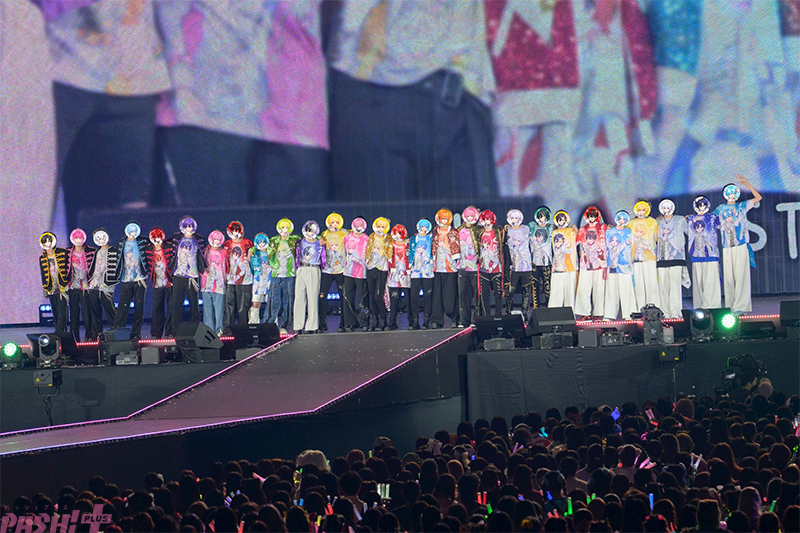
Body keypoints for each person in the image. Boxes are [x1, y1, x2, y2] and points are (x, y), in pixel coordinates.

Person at [714, 174, 762, 315]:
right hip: (727, 247)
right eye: (728, 192)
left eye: (733, 192)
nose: (731, 195)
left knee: (742, 277)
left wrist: (747, 184)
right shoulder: (720, 209)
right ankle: (730, 306)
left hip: (741, 246)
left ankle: (741, 307)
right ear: (724, 194)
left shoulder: (742, 206)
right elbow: (709, 220)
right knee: (729, 278)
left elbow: (758, 198)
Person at [169, 216, 206, 332]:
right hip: (178, 275)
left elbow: (202, 255)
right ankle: (175, 330)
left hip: (193, 276)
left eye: (190, 226)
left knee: (194, 305)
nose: (188, 228)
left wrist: (202, 269)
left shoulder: (199, 239)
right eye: (186, 226)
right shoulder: (176, 238)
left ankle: (194, 330)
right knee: (176, 304)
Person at [114, 222, 149, 340]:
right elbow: (119, 258)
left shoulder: (142, 241)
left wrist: (146, 270)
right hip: (127, 278)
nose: (133, 233)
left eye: (134, 231)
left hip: (140, 279)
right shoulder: (122, 242)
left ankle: (136, 332)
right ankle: (119, 330)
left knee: (139, 306)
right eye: (131, 231)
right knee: (123, 306)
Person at [686, 195, 721, 309]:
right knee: (698, 283)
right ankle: (699, 307)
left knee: (711, 281)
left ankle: (712, 307)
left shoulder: (712, 217)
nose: (702, 207)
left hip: (711, 254)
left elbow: (724, 224)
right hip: (696, 255)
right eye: (700, 205)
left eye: (704, 205)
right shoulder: (690, 219)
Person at [656, 199, 689, 319]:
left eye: (668, 207)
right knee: (663, 287)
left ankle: (676, 312)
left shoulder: (680, 220)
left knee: (675, 286)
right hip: (661, 258)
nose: (666, 209)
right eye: (664, 207)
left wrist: (691, 219)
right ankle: (665, 313)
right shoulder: (657, 221)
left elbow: (690, 232)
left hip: (677, 257)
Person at [268, 219, 300, 335]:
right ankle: (270, 324)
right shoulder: (273, 240)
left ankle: (284, 325)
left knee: (288, 301)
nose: (284, 230)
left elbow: (310, 238)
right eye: (283, 228)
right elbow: (263, 248)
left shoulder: (295, 239)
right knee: (273, 300)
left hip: (289, 275)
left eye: (287, 228)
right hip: (276, 274)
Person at [87, 229, 120, 339]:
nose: (101, 240)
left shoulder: (113, 251)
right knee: (95, 310)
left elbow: (116, 268)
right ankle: (97, 333)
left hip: (106, 285)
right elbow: (94, 267)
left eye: (102, 237)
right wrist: (91, 281)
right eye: (98, 238)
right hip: (94, 285)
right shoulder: (97, 251)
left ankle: (116, 330)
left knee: (109, 309)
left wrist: (111, 280)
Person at [574, 207, 607, 320]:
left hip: (600, 264)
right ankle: (585, 314)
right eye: (590, 216)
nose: (592, 219)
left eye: (594, 216)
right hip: (585, 264)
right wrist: (572, 230)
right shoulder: (582, 230)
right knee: (583, 289)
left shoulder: (603, 228)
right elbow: (574, 242)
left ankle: (598, 314)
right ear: (586, 217)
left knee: (599, 290)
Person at [628, 200, 660, 312]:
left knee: (652, 283)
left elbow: (657, 238)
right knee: (638, 284)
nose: (641, 212)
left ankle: (653, 309)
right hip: (636, 258)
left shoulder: (653, 222)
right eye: (639, 209)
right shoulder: (630, 223)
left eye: (643, 209)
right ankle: (639, 309)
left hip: (650, 257)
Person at [604, 211, 636, 321]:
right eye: (620, 218)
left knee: (626, 289)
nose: (621, 221)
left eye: (624, 219)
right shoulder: (609, 231)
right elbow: (605, 247)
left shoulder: (629, 232)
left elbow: (632, 248)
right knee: (611, 290)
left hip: (625, 265)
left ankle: (629, 314)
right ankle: (609, 314)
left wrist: (630, 261)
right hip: (611, 264)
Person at [431, 209, 460, 328]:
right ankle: (436, 320)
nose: (443, 221)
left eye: (445, 219)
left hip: (450, 267)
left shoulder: (453, 231)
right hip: (437, 267)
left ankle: (454, 318)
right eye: (441, 218)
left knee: (450, 295)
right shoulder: (435, 230)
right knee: (437, 296)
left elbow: (456, 245)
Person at [294, 221, 325, 334]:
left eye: (312, 230)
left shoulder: (319, 242)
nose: (310, 232)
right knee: (299, 297)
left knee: (312, 297)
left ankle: (311, 326)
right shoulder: (300, 242)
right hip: (301, 268)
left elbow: (324, 257)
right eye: (308, 230)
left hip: (313, 268)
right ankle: (298, 325)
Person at [319, 213, 348, 333]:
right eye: (332, 222)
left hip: (340, 270)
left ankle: (343, 324)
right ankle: (322, 324)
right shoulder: (324, 234)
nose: (334, 224)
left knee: (343, 297)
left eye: (336, 222)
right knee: (322, 296)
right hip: (327, 270)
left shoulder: (344, 233)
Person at [223, 222, 254, 331]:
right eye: (233, 231)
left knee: (243, 307)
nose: (235, 233)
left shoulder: (248, 243)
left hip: (245, 280)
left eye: (237, 231)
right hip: (230, 279)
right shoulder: (227, 244)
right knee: (229, 305)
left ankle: (243, 330)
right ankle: (228, 330)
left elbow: (253, 259)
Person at [144, 228, 173, 339]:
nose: (157, 240)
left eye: (159, 238)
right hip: (157, 282)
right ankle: (156, 333)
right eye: (154, 238)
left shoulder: (169, 246)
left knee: (171, 307)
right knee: (157, 307)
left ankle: (170, 332)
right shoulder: (148, 248)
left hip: (169, 281)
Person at [66, 229, 94, 342]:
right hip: (72, 286)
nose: (78, 240)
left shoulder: (90, 251)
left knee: (86, 311)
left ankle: (89, 335)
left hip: (85, 286)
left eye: (80, 238)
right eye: (76, 238)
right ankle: (74, 336)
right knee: (74, 313)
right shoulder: (68, 252)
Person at [342, 218, 370, 332]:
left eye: (360, 225)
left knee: (363, 298)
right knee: (348, 297)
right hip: (348, 271)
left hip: (361, 273)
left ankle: (364, 322)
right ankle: (350, 323)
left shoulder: (366, 239)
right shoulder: (347, 237)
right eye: (357, 225)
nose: (358, 228)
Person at [39, 232, 69, 334]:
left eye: (49, 241)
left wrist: (67, 282)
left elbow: (68, 268)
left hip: (62, 286)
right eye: (45, 242)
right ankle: (58, 330)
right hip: (51, 287)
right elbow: (43, 274)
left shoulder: (62, 252)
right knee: (55, 311)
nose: (47, 244)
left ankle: (61, 331)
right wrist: (45, 288)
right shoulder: (42, 258)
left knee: (62, 310)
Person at [366, 217, 392, 331]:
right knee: (372, 296)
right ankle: (374, 321)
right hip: (371, 267)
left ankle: (383, 320)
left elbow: (389, 252)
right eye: (379, 226)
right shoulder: (372, 236)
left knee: (378, 296)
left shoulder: (388, 238)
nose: (380, 229)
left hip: (382, 269)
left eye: (383, 227)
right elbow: (368, 250)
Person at [504, 209, 533, 314]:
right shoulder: (507, 230)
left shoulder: (526, 229)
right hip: (514, 267)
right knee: (510, 291)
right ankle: (509, 311)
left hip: (526, 266)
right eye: (512, 217)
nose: (514, 220)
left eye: (516, 217)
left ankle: (525, 313)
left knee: (527, 291)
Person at [456, 207, 481, 326]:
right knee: (463, 295)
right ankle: (464, 320)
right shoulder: (459, 231)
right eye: (468, 216)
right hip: (462, 266)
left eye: (472, 216)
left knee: (476, 294)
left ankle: (477, 319)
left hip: (475, 267)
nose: (470, 218)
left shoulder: (479, 230)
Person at [548, 210, 578, 310]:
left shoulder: (572, 231)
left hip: (570, 266)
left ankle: (570, 313)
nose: (561, 222)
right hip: (557, 267)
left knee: (570, 293)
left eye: (563, 220)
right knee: (556, 292)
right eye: (559, 220)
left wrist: (574, 227)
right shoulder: (553, 232)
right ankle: (553, 314)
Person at [409, 219, 434, 330]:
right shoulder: (413, 239)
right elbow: (410, 252)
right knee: (414, 297)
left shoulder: (431, 238)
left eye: (425, 227)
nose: (423, 229)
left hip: (428, 272)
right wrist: (410, 263)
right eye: (422, 226)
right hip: (415, 272)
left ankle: (426, 322)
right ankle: (415, 321)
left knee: (427, 297)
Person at [201, 231, 227, 336]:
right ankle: (209, 332)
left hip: (220, 285)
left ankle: (220, 330)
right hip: (206, 284)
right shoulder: (205, 251)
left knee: (219, 310)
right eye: (214, 239)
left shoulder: (224, 252)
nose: (216, 241)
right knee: (207, 310)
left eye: (218, 239)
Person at [387, 225, 411, 330]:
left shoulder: (408, 244)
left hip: (406, 273)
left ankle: (412, 322)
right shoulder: (390, 244)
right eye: (396, 233)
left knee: (408, 299)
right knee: (394, 299)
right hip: (394, 273)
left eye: (399, 233)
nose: (398, 236)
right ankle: (392, 322)